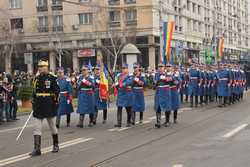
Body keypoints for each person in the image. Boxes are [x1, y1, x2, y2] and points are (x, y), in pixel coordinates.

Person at [30, 60, 60, 156]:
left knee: (52, 126)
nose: (40, 68)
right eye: (39, 66)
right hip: (39, 105)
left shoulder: (52, 78)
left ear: (46, 67)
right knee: (37, 127)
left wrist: (55, 103)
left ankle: (56, 145)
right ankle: (37, 149)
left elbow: (57, 92)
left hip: (49, 104)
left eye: (42, 66)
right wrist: (33, 100)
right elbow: (34, 92)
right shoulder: (36, 78)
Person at [154, 64, 172, 128]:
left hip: (165, 91)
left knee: (166, 106)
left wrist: (165, 78)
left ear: (164, 68)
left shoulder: (167, 73)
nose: (160, 68)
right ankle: (158, 122)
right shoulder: (156, 74)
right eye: (159, 67)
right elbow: (155, 81)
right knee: (158, 106)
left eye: (161, 67)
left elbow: (170, 79)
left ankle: (167, 121)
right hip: (158, 91)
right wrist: (157, 81)